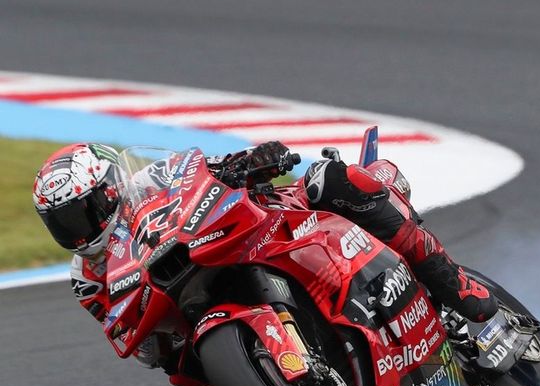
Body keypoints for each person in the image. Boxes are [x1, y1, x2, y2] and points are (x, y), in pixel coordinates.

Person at [32, 141, 497, 336]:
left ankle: (453, 282)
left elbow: (206, 170)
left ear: (110, 188)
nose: (79, 230)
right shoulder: (88, 278)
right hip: (197, 310)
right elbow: (139, 344)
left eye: (83, 212)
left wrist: (253, 160)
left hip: (260, 225)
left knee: (334, 180)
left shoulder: (149, 180)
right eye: (64, 223)